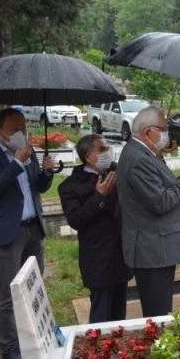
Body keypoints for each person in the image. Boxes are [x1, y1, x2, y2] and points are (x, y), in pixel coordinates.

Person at [0, 108, 55, 359]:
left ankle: (35, 334)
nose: (21, 135)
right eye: (14, 130)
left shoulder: (28, 151)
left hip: (33, 228)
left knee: (33, 286)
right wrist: (17, 162)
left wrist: (47, 172)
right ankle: (10, 349)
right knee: (9, 292)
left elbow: (37, 187)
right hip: (8, 232)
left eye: (24, 129)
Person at [118, 106, 180, 317]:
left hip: (157, 248)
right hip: (152, 250)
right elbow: (160, 201)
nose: (168, 134)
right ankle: (158, 347)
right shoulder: (139, 159)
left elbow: (161, 190)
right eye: (164, 129)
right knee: (157, 313)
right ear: (149, 132)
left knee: (161, 310)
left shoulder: (148, 154)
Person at [58, 134, 131, 323]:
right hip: (98, 258)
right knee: (101, 315)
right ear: (89, 156)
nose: (108, 153)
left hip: (121, 255)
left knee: (119, 314)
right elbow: (76, 219)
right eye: (102, 149)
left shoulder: (114, 173)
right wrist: (99, 197)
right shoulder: (71, 186)